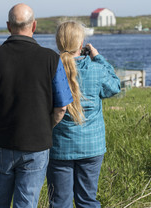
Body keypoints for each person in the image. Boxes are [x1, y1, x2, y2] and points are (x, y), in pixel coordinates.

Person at [0, 3, 74, 208]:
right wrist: (46, 126)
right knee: (26, 204)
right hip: (36, 145)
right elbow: (62, 107)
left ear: (8, 26)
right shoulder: (51, 59)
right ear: (33, 26)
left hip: (1, 142)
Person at [47, 21, 121, 208]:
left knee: (59, 202)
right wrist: (98, 57)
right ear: (81, 45)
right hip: (92, 145)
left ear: (58, 44)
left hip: (59, 146)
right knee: (87, 200)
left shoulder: (49, 70)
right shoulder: (96, 70)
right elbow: (115, 87)